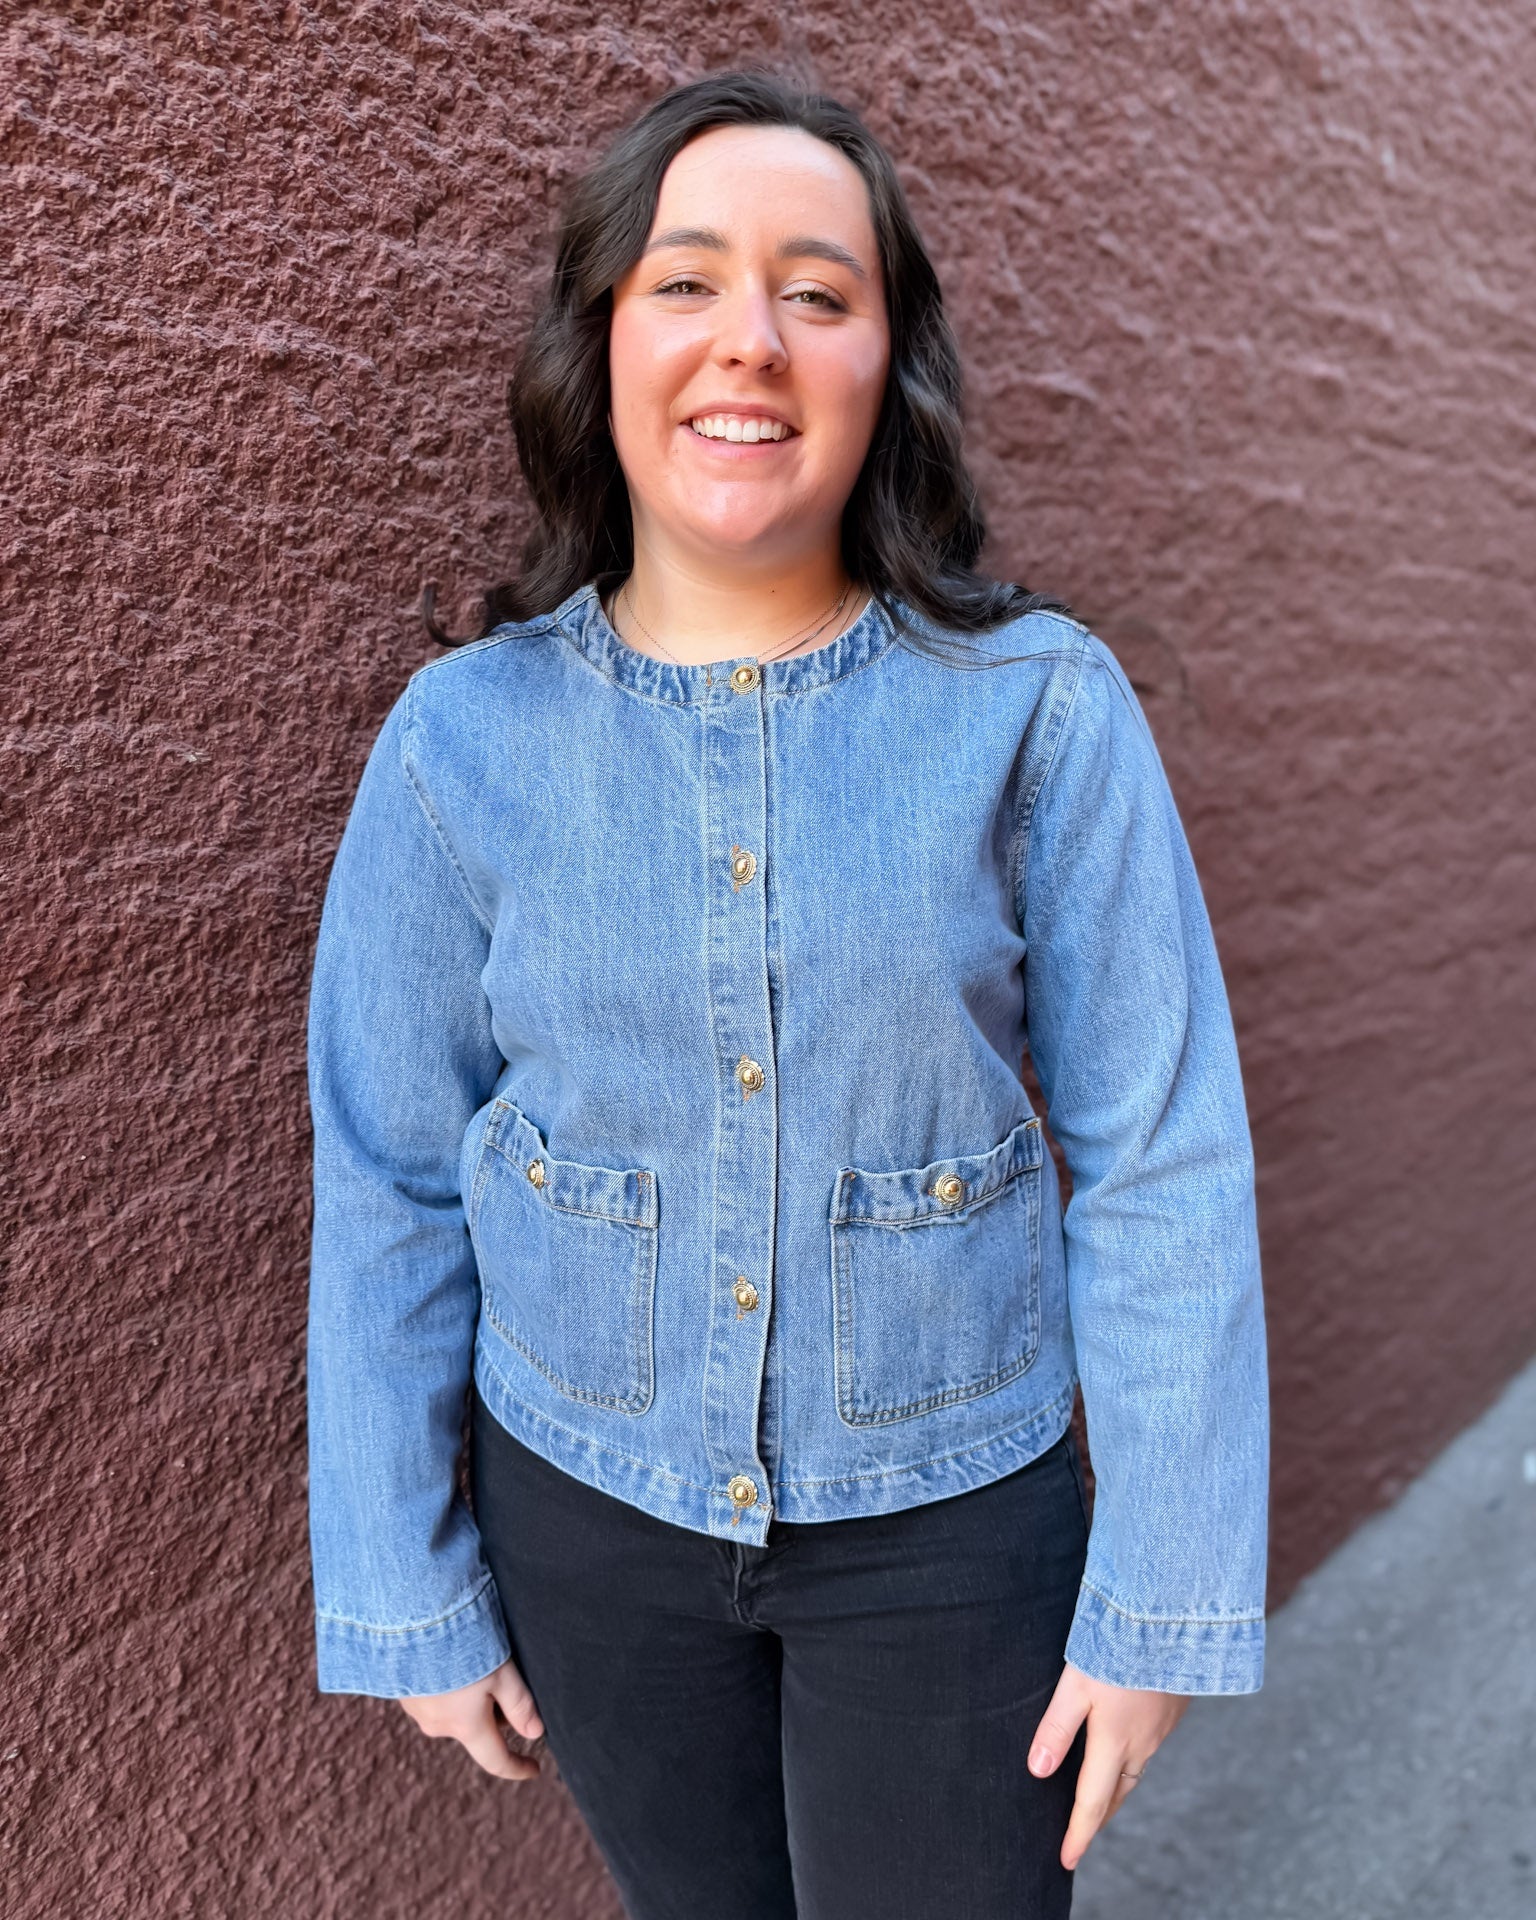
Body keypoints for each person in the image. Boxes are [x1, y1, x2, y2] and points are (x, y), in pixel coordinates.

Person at [304, 67, 1270, 1920]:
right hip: (584, 1514)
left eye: (818, 291)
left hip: (954, 1530)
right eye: (688, 281)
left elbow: (1162, 1158)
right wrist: (406, 1582)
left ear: (883, 362)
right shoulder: (461, 746)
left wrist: (1161, 1590)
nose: (751, 337)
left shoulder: (1037, 712)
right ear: (601, 340)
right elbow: (392, 1172)